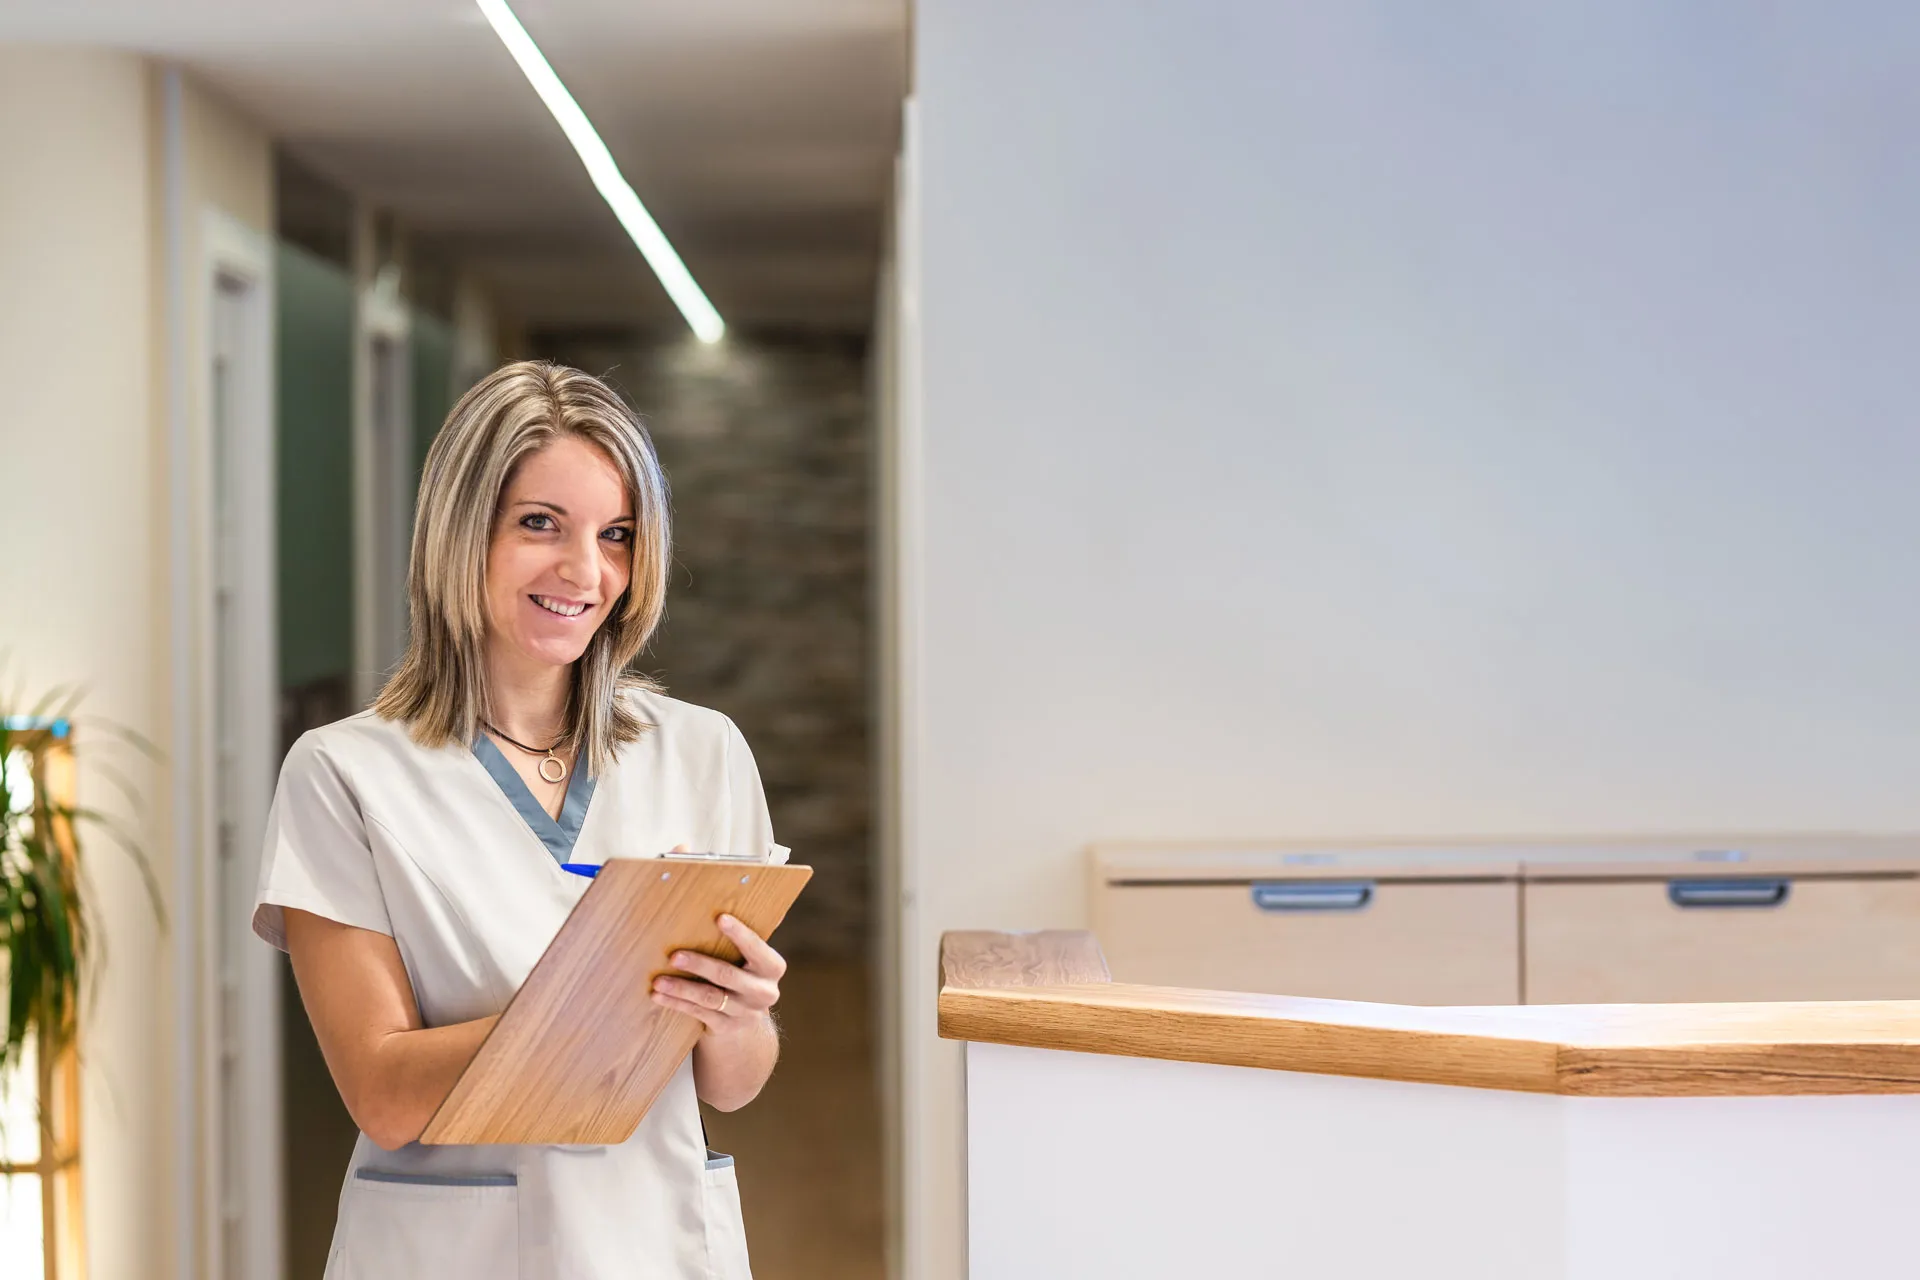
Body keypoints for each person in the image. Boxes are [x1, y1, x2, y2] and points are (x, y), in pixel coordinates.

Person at [252, 360, 788, 1279]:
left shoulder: (701, 753)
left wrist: (737, 1018)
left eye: (616, 535)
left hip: (655, 1240)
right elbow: (382, 1094)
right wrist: (612, 996)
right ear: (463, 535)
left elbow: (731, 1086)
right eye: (541, 524)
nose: (585, 572)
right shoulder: (344, 774)